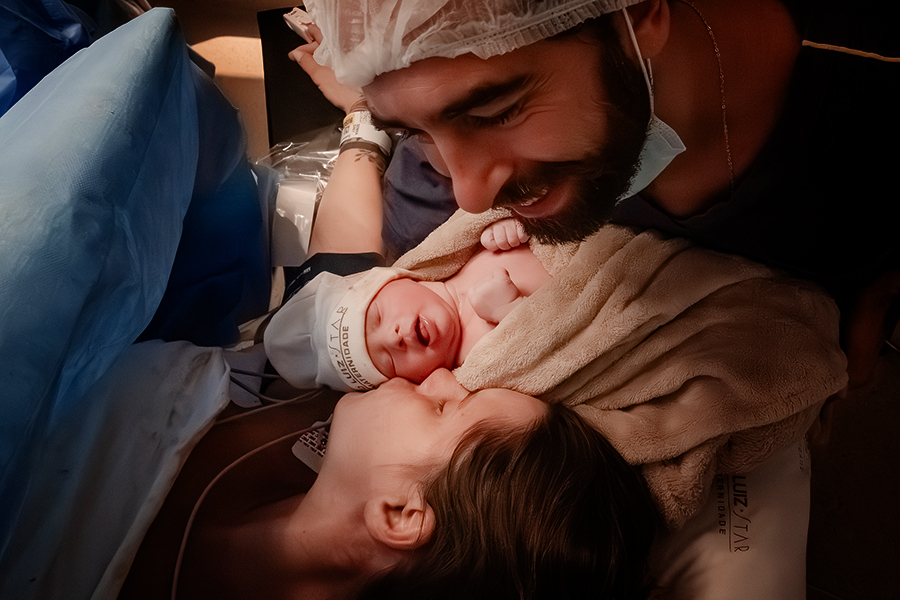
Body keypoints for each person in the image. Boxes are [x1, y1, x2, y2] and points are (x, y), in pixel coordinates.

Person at [302, 0, 900, 389]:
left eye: (497, 111)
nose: (473, 197)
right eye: (414, 130)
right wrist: (365, 124)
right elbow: (338, 283)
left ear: (636, 14)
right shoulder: (460, 171)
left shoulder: (862, 106)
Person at [119, 369, 659, 600]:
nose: (443, 375)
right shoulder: (312, 404)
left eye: (446, 407)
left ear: (400, 514)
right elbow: (343, 257)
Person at [265, 37, 550, 392]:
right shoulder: (475, 367)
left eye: (377, 317)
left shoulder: (433, 243)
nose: (394, 338)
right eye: (386, 362)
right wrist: (509, 313)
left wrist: (505, 224)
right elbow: (548, 354)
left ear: (392, 279)